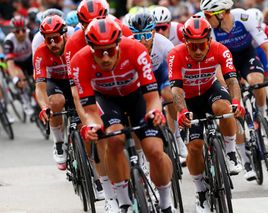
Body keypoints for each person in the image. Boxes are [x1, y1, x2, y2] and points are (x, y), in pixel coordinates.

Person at [72, 17, 174, 213]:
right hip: (107, 100)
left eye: (110, 50)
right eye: (99, 52)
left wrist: (155, 111)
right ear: (90, 48)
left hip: (137, 97)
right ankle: (124, 201)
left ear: (118, 44)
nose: (105, 58)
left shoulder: (136, 50)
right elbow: (90, 110)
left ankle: (165, 201)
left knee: (154, 150)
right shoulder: (79, 61)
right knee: (115, 139)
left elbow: (152, 96)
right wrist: (91, 126)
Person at [168, 16, 243, 212]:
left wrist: (236, 102)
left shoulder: (220, 49)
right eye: (193, 46)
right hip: (189, 99)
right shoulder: (176, 54)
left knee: (225, 109)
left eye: (202, 45)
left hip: (211, 90)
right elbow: (176, 90)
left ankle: (231, 153)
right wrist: (183, 111)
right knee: (195, 146)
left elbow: (232, 80)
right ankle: (200, 191)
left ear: (209, 40)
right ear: (185, 42)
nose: (199, 51)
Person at [200, 0, 268, 176]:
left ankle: (262, 114)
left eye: (208, 15)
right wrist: (227, 90)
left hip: (246, 56)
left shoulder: (245, 18)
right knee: (234, 108)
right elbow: (216, 66)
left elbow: (267, 48)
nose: (205, 19)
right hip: (224, 62)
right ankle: (246, 162)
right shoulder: (211, 30)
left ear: (221, 14)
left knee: (256, 80)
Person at [64, 0, 114, 208]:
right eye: (86, 24)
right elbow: (76, 93)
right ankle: (98, 178)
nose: (92, 27)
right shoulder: (74, 44)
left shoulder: (119, 30)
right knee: (90, 130)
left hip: (112, 84)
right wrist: (87, 123)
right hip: (86, 86)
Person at [128, 10, 188, 164]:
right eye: (137, 36)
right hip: (139, 78)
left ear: (153, 33)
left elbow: (174, 71)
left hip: (160, 73)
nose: (142, 41)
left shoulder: (165, 44)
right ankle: (140, 156)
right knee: (134, 112)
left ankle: (178, 137)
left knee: (169, 94)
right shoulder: (127, 46)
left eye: (147, 35)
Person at [33, 15, 73, 170]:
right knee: (56, 102)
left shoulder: (73, 44)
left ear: (64, 35)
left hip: (72, 81)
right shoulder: (40, 52)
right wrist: (44, 107)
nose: (52, 43)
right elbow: (40, 86)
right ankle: (58, 143)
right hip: (54, 82)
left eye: (56, 38)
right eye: (48, 39)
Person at [3, 15, 34, 116]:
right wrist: (15, 79)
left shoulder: (30, 35)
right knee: (20, 77)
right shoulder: (9, 41)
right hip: (17, 63)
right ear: (13, 32)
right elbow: (10, 64)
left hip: (29, 60)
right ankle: (25, 101)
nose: (21, 34)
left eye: (23, 30)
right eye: (17, 31)